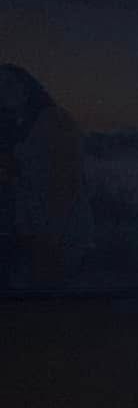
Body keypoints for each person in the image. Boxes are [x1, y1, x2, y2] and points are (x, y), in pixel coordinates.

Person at [0, 63, 94, 290]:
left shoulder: (55, 121)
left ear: (27, 86)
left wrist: (51, 239)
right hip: (29, 233)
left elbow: (64, 182)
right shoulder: (17, 128)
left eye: (10, 83)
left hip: (56, 235)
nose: (4, 91)